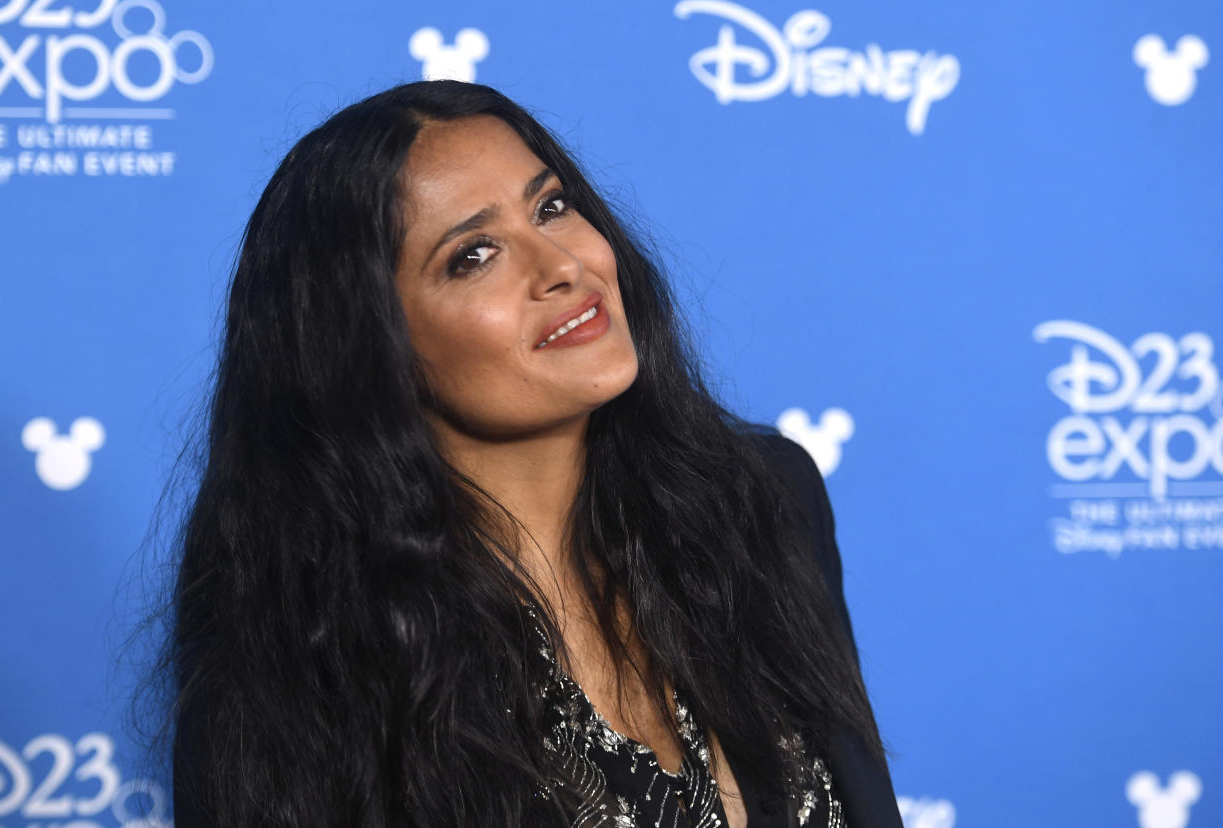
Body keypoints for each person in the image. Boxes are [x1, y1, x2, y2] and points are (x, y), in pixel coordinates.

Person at [168, 80, 901, 828]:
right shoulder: (310, 660)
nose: (561, 265)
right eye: (475, 254)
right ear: (368, 350)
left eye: (552, 206)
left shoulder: (761, 505)